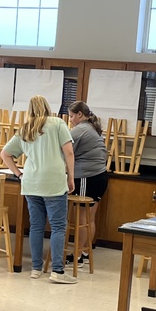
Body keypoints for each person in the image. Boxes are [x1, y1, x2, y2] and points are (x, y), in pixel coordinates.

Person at [0, 96, 77, 284]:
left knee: (36, 226)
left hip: (31, 183)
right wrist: (71, 177)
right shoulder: (58, 123)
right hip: (53, 182)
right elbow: (69, 152)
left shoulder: (25, 128)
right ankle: (57, 270)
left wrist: (19, 174)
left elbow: (5, 154)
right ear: (47, 107)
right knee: (58, 226)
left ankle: (36, 268)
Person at [67, 100, 107, 264]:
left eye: (71, 116)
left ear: (80, 114)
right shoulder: (92, 128)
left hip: (87, 177)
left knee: (81, 219)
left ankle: (77, 255)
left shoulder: (80, 129)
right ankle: (84, 252)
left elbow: (66, 151)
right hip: (99, 176)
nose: (70, 120)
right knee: (89, 219)